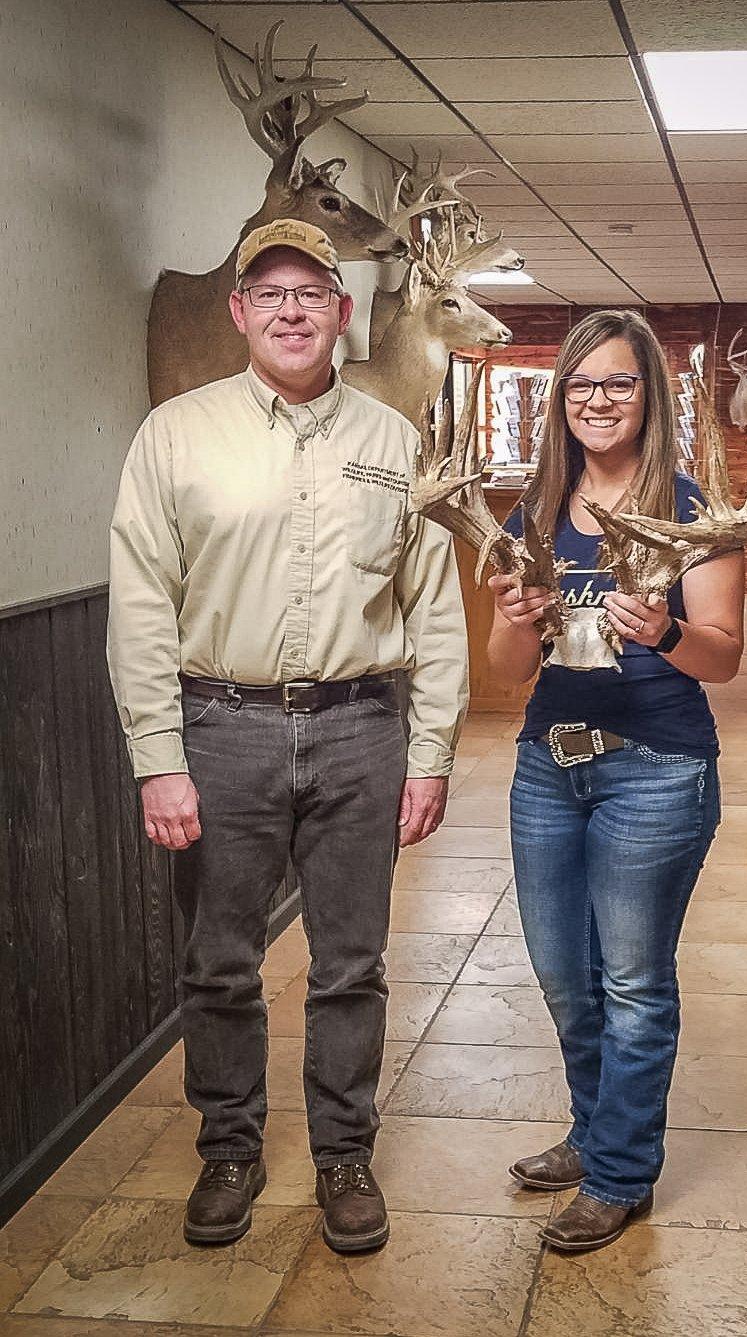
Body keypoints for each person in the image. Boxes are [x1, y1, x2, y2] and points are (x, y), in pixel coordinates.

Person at [107, 218, 468, 1254]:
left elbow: (433, 608)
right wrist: (159, 758)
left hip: (362, 729)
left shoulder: (395, 443)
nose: (293, 309)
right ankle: (228, 1145)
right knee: (219, 961)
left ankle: (344, 1152)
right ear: (239, 312)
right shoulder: (175, 434)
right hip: (220, 728)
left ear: (344, 313)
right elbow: (139, 606)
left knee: (352, 962)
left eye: (312, 291)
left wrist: (432, 749)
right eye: (270, 293)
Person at [486, 309, 745, 1252]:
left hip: (656, 772)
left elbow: (722, 657)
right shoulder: (535, 509)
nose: (599, 399)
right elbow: (509, 666)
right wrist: (518, 612)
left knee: (631, 980)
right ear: (561, 398)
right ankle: (598, 1133)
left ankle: (621, 1172)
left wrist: (665, 633)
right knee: (565, 977)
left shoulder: (691, 513)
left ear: (649, 397)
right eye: (581, 383)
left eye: (619, 383)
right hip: (549, 766)